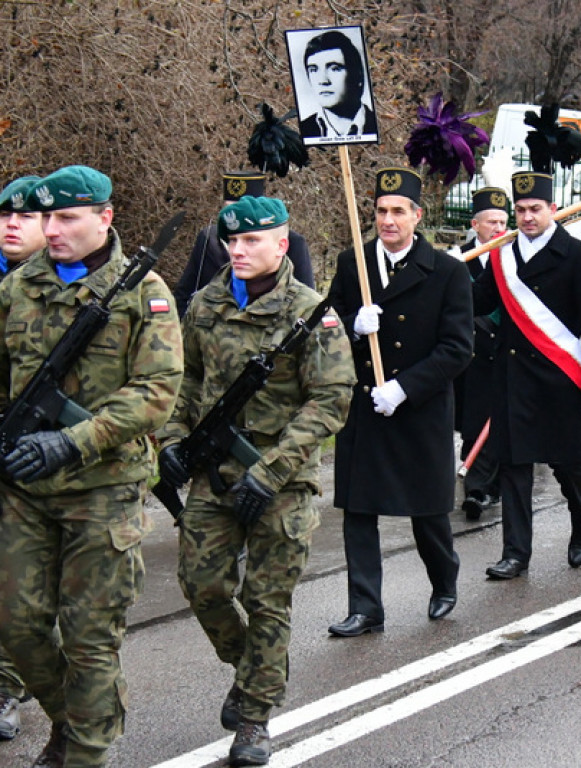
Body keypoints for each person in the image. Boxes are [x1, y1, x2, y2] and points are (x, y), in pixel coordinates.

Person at [156, 195, 353, 766]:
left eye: (250, 241)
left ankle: (255, 719)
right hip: (214, 477)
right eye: (231, 241)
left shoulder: (311, 312)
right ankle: (255, 667)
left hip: (282, 483)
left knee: (267, 601)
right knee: (202, 586)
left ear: (281, 245)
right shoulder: (206, 303)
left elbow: (329, 403)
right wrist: (171, 440)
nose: (237, 251)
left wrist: (270, 472)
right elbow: (186, 380)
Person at [0, 165, 184, 767]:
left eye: (67, 217)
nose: (51, 229)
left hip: (102, 488)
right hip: (24, 488)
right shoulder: (18, 287)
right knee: (17, 626)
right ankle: (80, 719)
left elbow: (157, 391)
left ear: (104, 218)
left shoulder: (145, 293)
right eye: (46, 217)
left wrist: (74, 440)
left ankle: (84, 750)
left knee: (88, 637)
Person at [327, 168, 472, 635]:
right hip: (368, 406)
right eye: (380, 211)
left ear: (417, 215)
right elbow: (326, 324)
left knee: (427, 512)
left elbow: (457, 348)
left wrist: (404, 387)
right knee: (359, 509)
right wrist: (352, 324)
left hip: (419, 407)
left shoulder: (447, 270)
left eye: (397, 212)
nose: (387, 221)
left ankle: (444, 581)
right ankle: (366, 607)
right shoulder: (355, 264)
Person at [473, 171, 581, 579]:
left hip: (560, 379)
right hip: (512, 380)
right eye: (520, 210)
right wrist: (444, 275)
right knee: (514, 468)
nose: (527, 217)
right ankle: (516, 553)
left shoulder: (578, 255)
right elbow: (476, 301)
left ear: (552, 209)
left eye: (535, 209)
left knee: (568, 464)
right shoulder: (501, 256)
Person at [0, 174, 47, 743]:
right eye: (4, 215)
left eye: (26, 216)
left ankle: (9, 685)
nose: (11, 224)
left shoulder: (90, 289)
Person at [173, 170, 315, 316]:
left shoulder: (292, 242)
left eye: (252, 240)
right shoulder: (209, 238)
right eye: (230, 209)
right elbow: (184, 295)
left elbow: (305, 296)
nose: (237, 251)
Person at [456, 187, 508, 519]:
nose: (499, 229)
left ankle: (481, 490)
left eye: (504, 222)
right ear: (475, 224)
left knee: (500, 421)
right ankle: (477, 486)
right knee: (473, 421)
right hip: (470, 355)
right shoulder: (457, 258)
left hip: (504, 352)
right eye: (492, 222)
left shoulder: (516, 255)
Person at [298, 30, 378, 141]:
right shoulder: (302, 131)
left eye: (334, 68)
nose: (323, 80)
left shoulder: (378, 125)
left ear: (357, 75)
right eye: (313, 70)